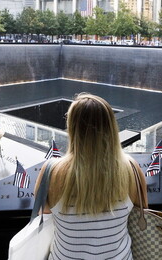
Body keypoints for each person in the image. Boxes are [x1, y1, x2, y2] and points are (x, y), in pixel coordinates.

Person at [34, 93, 148, 259]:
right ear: (110, 126)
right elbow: (143, 212)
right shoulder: (131, 168)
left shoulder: (50, 172)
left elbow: (43, 215)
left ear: (72, 128)